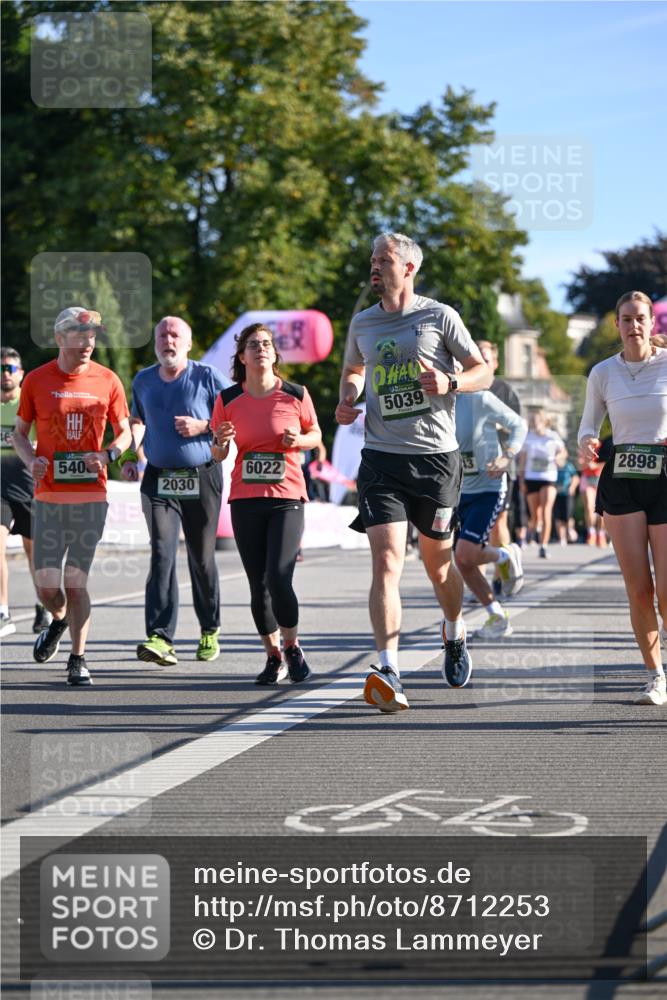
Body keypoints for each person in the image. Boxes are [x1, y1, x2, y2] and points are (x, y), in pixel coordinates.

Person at [336, 232, 492, 713]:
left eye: (385, 259)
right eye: (373, 258)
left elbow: (481, 371)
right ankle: (388, 668)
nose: (375, 266)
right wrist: (349, 396)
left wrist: (450, 380)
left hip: (436, 460)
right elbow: (353, 369)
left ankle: (453, 629)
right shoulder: (363, 321)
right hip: (382, 459)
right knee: (386, 562)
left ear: (408, 268)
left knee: (438, 564)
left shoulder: (439, 316)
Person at [12, 307, 131, 685]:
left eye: (93, 336)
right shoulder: (36, 380)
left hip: (89, 498)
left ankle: (78, 658)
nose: (88, 343)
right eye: (80, 335)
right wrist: (30, 458)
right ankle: (59, 620)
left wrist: (108, 455)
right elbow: (18, 433)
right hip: (48, 498)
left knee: (76, 582)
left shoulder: (108, 380)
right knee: (48, 587)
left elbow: (125, 432)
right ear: (60, 338)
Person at [211, 322, 322, 684]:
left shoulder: (294, 393)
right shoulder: (227, 399)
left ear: (275, 354)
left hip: (287, 497)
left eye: (267, 344)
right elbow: (217, 453)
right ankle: (273, 655)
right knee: (257, 583)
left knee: (278, 575)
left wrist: (300, 439)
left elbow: (315, 435)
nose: (261, 348)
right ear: (242, 356)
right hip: (245, 498)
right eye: (253, 344)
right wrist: (221, 440)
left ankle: (292, 645)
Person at [121, 316, 229, 666]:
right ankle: (160, 636)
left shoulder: (207, 376)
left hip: (202, 476)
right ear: (155, 342)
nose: (168, 340)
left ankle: (209, 629)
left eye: (175, 335)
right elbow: (137, 421)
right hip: (158, 478)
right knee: (162, 553)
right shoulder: (144, 380)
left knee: (201, 558)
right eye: (162, 335)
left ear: (188, 342)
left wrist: (203, 426)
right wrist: (130, 453)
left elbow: (235, 416)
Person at [578, 290, 667, 706]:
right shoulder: (602, 372)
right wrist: (588, 443)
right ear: (617, 325)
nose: (634, 325)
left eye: (640, 318)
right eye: (626, 319)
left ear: (653, 324)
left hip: (665, 478)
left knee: (666, 590)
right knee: (638, 589)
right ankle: (655, 675)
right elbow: (587, 426)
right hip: (622, 479)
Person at [454, 388, 527, 639]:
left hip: (488, 486)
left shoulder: (479, 399)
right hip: (453, 491)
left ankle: (504, 555)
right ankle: (496, 615)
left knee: (464, 554)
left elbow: (519, 425)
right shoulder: (427, 403)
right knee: (462, 561)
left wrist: (507, 456)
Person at [1, 348, 51, 637]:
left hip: (30, 488)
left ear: (20, 373)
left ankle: (42, 606)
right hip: (0, 489)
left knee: (36, 555)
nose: (5, 374)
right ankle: (3, 612)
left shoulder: (30, 404)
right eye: (0, 369)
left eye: (10, 368)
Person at [477, 339, 524, 587]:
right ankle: (480, 580)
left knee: (497, 522)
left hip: (499, 465)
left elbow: (516, 426)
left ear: (494, 362)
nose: (481, 363)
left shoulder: (504, 391)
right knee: (473, 525)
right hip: (471, 467)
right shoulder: (464, 388)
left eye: (486, 358)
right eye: (476, 357)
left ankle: (501, 576)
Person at [517, 410, 567, 558]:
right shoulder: (529, 437)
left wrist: (559, 456)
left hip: (548, 477)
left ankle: (543, 545)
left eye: (537, 420)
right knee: (535, 515)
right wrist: (521, 480)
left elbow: (564, 453)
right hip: (532, 478)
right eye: (533, 420)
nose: (535, 423)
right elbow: (523, 459)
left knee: (546, 511)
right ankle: (536, 528)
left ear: (544, 421)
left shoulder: (553, 436)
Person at [554, 455, 580, 544]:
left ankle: (569, 531)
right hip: (556, 494)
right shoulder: (553, 467)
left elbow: (576, 477)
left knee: (568, 515)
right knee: (558, 517)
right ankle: (562, 538)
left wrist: (572, 487)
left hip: (567, 494)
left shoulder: (568, 466)